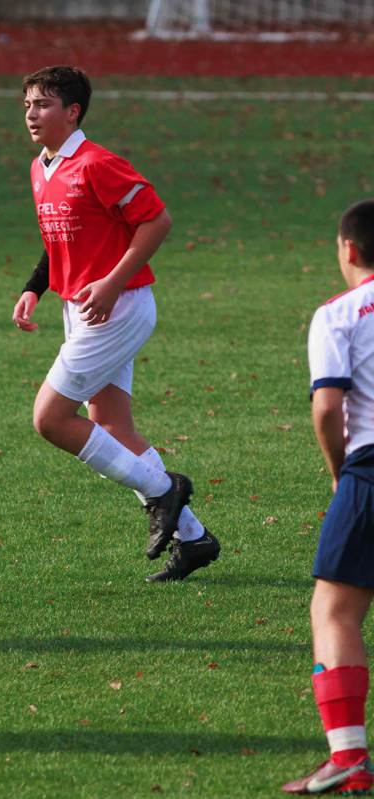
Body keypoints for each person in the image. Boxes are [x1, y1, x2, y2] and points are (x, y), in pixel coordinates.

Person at [10, 65, 218, 582]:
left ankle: (163, 490)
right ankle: (194, 539)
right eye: (28, 104)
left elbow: (157, 220)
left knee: (50, 419)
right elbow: (61, 239)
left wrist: (110, 282)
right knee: (112, 427)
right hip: (82, 308)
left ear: (72, 112)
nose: (32, 114)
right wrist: (35, 287)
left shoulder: (98, 164)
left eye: (43, 104)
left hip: (118, 306)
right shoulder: (42, 167)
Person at [282, 199, 374, 795]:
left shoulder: (338, 315)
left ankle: (348, 758)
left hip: (370, 470)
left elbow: (327, 406)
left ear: (349, 248)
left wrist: (340, 472)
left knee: (335, 611)